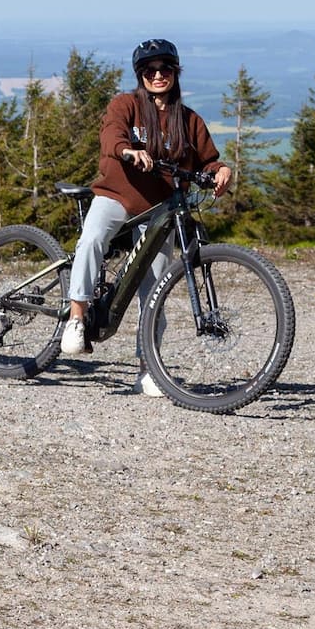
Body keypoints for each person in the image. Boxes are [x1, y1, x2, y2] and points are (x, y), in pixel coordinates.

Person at [59, 38, 233, 394]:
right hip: (117, 195)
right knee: (92, 240)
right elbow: (111, 134)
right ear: (141, 75)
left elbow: (207, 159)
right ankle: (76, 318)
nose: (158, 75)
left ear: (175, 73)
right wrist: (128, 150)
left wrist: (221, 170)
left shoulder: (188, 120)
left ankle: (148, 369)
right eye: (150, 70)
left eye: (165, 69)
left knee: (154, 289)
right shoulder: (126, 105)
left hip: (159, 209)